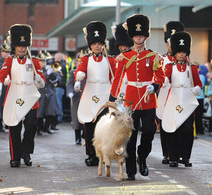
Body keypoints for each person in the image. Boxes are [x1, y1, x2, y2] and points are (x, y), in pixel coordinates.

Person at [109, 14, 165, 180]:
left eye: (141, 35)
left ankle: (143, 156)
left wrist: (155, 85)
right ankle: (131, 171)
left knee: (149, 131)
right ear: (132, 36)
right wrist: (112, 99)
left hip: (148, 100)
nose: (139, 37)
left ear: (146, 36)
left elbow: (160, 77)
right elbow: (118, 79)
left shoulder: (153, 56)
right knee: (131, 137)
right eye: (136, 35)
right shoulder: (125, 57)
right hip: (131, 101)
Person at [0, 24, 45, 167]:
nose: (21, 48)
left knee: (31, 126)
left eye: (24, 46)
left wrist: (40, 80)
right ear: (14, 46)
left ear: (27, 45)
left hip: (30, 97)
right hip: (14, 96)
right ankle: (15, 157)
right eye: (19, 46)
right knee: (14, 127)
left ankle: (26, 152)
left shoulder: (33, 61)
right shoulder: (9, 60)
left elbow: (41, 77)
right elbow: (2, 74)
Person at [75, 21, 116, 166]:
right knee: (89, 126)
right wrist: (78, 77)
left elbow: (114, 78)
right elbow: (81, 69)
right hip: (90, 94)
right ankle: (91, 154)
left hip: (105, 93)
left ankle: (104, 154)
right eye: (94, 43)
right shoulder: (86, 59)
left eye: (99, 43)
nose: (97, 46)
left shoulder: (110, 60)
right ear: (90, 45)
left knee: (104, 126)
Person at [162, 31, 202, 167]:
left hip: (188, 101)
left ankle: (185, 157)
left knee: (187, 130)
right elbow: (165, 78)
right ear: (175, 52)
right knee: (173, 129)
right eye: (179, 52)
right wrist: (165, 82)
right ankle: (172, 157)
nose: (181, 54)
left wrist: (197, 88)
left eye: (183, 52)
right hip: (173, 101)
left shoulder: (192, 67)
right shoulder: (169, 66)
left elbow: (198, 83)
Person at [157, 21, 185, 165]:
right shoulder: (161, 59)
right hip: (165, 96)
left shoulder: (185, 60)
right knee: (165, 126)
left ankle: (178, 153)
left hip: (180, 97)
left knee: (180, 126)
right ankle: (166, 153)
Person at [37, 52, 62, 135]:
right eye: (41, 61)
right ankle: (39, 129)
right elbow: (38, 78)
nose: (42, 63)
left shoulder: (50, 68)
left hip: (50, 92)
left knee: (50, 112)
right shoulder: (37, 69)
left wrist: (52, 74)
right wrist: (47, 74)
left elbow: (57, 79)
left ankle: (47, 127)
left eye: (44, 62)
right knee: (39, 113)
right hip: (40, 93)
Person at [66, 51, 85, 144]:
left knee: (86, 117)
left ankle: (85, 134)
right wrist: (70, 92)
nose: (80, 63)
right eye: (78, 61)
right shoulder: (73, 72)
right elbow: (69, 84)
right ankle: (77, 137)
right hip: (76, 97)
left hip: (85, 96)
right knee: (76, 118)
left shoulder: (87, 72)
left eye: (82, 61)